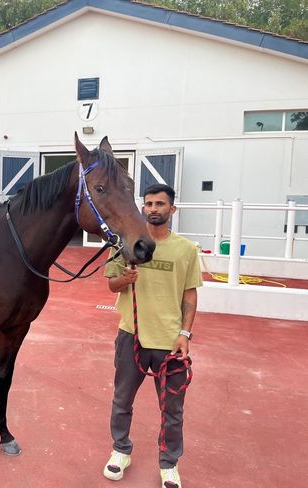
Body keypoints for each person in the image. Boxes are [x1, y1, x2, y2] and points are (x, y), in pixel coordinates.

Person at [102, 183, 202, 488]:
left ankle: (169, 463)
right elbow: (111, 285)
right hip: (131, 335)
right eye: (148, 204)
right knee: (122, 399)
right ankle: (121, 450)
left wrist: (185, 333)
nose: (153, 209)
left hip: (170, 341)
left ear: (172, 209)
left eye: (160, 204)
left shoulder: (186, 249)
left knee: (172, 408)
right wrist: (126, 278)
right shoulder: (124, 243)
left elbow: (190, 294)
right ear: (142, 207)